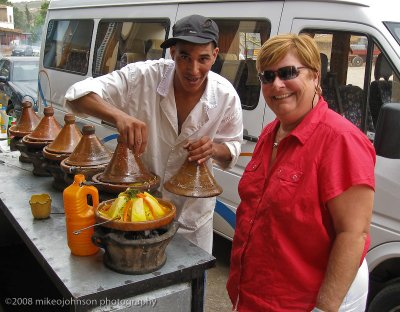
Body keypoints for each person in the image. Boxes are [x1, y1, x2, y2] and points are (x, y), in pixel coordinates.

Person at [64, 15, 243, 254]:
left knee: (189, 282)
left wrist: (213, 149)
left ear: (215, 54)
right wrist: (118, 115)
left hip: (193, 216)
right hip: (139, 209)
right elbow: (77, 94)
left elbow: (232, 148)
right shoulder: (142, 77)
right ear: (172, 54)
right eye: (184, 57)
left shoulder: (225, 96)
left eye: (203, 59)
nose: (193, 69)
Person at [226, 34, 375, 311]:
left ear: (315, 77)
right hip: (252, 295)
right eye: (267, 77)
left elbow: (353, 235)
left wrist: (324, 307)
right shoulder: (271, 132)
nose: (277, 84)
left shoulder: (340, 140)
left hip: (300, 304)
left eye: (288, 72)